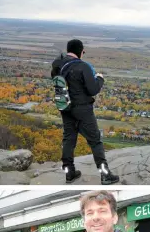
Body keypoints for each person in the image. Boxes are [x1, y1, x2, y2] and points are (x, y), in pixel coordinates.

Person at [51, 39, 119, 185]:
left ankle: (69, 173)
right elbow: (93, 89)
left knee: (69, 139)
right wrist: (100, 79)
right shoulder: (83, 67)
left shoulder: (58, 64)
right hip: (83, 110)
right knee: (95, 142)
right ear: (80, 51)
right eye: (83, 51)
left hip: (65, 108)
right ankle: (105, 175)